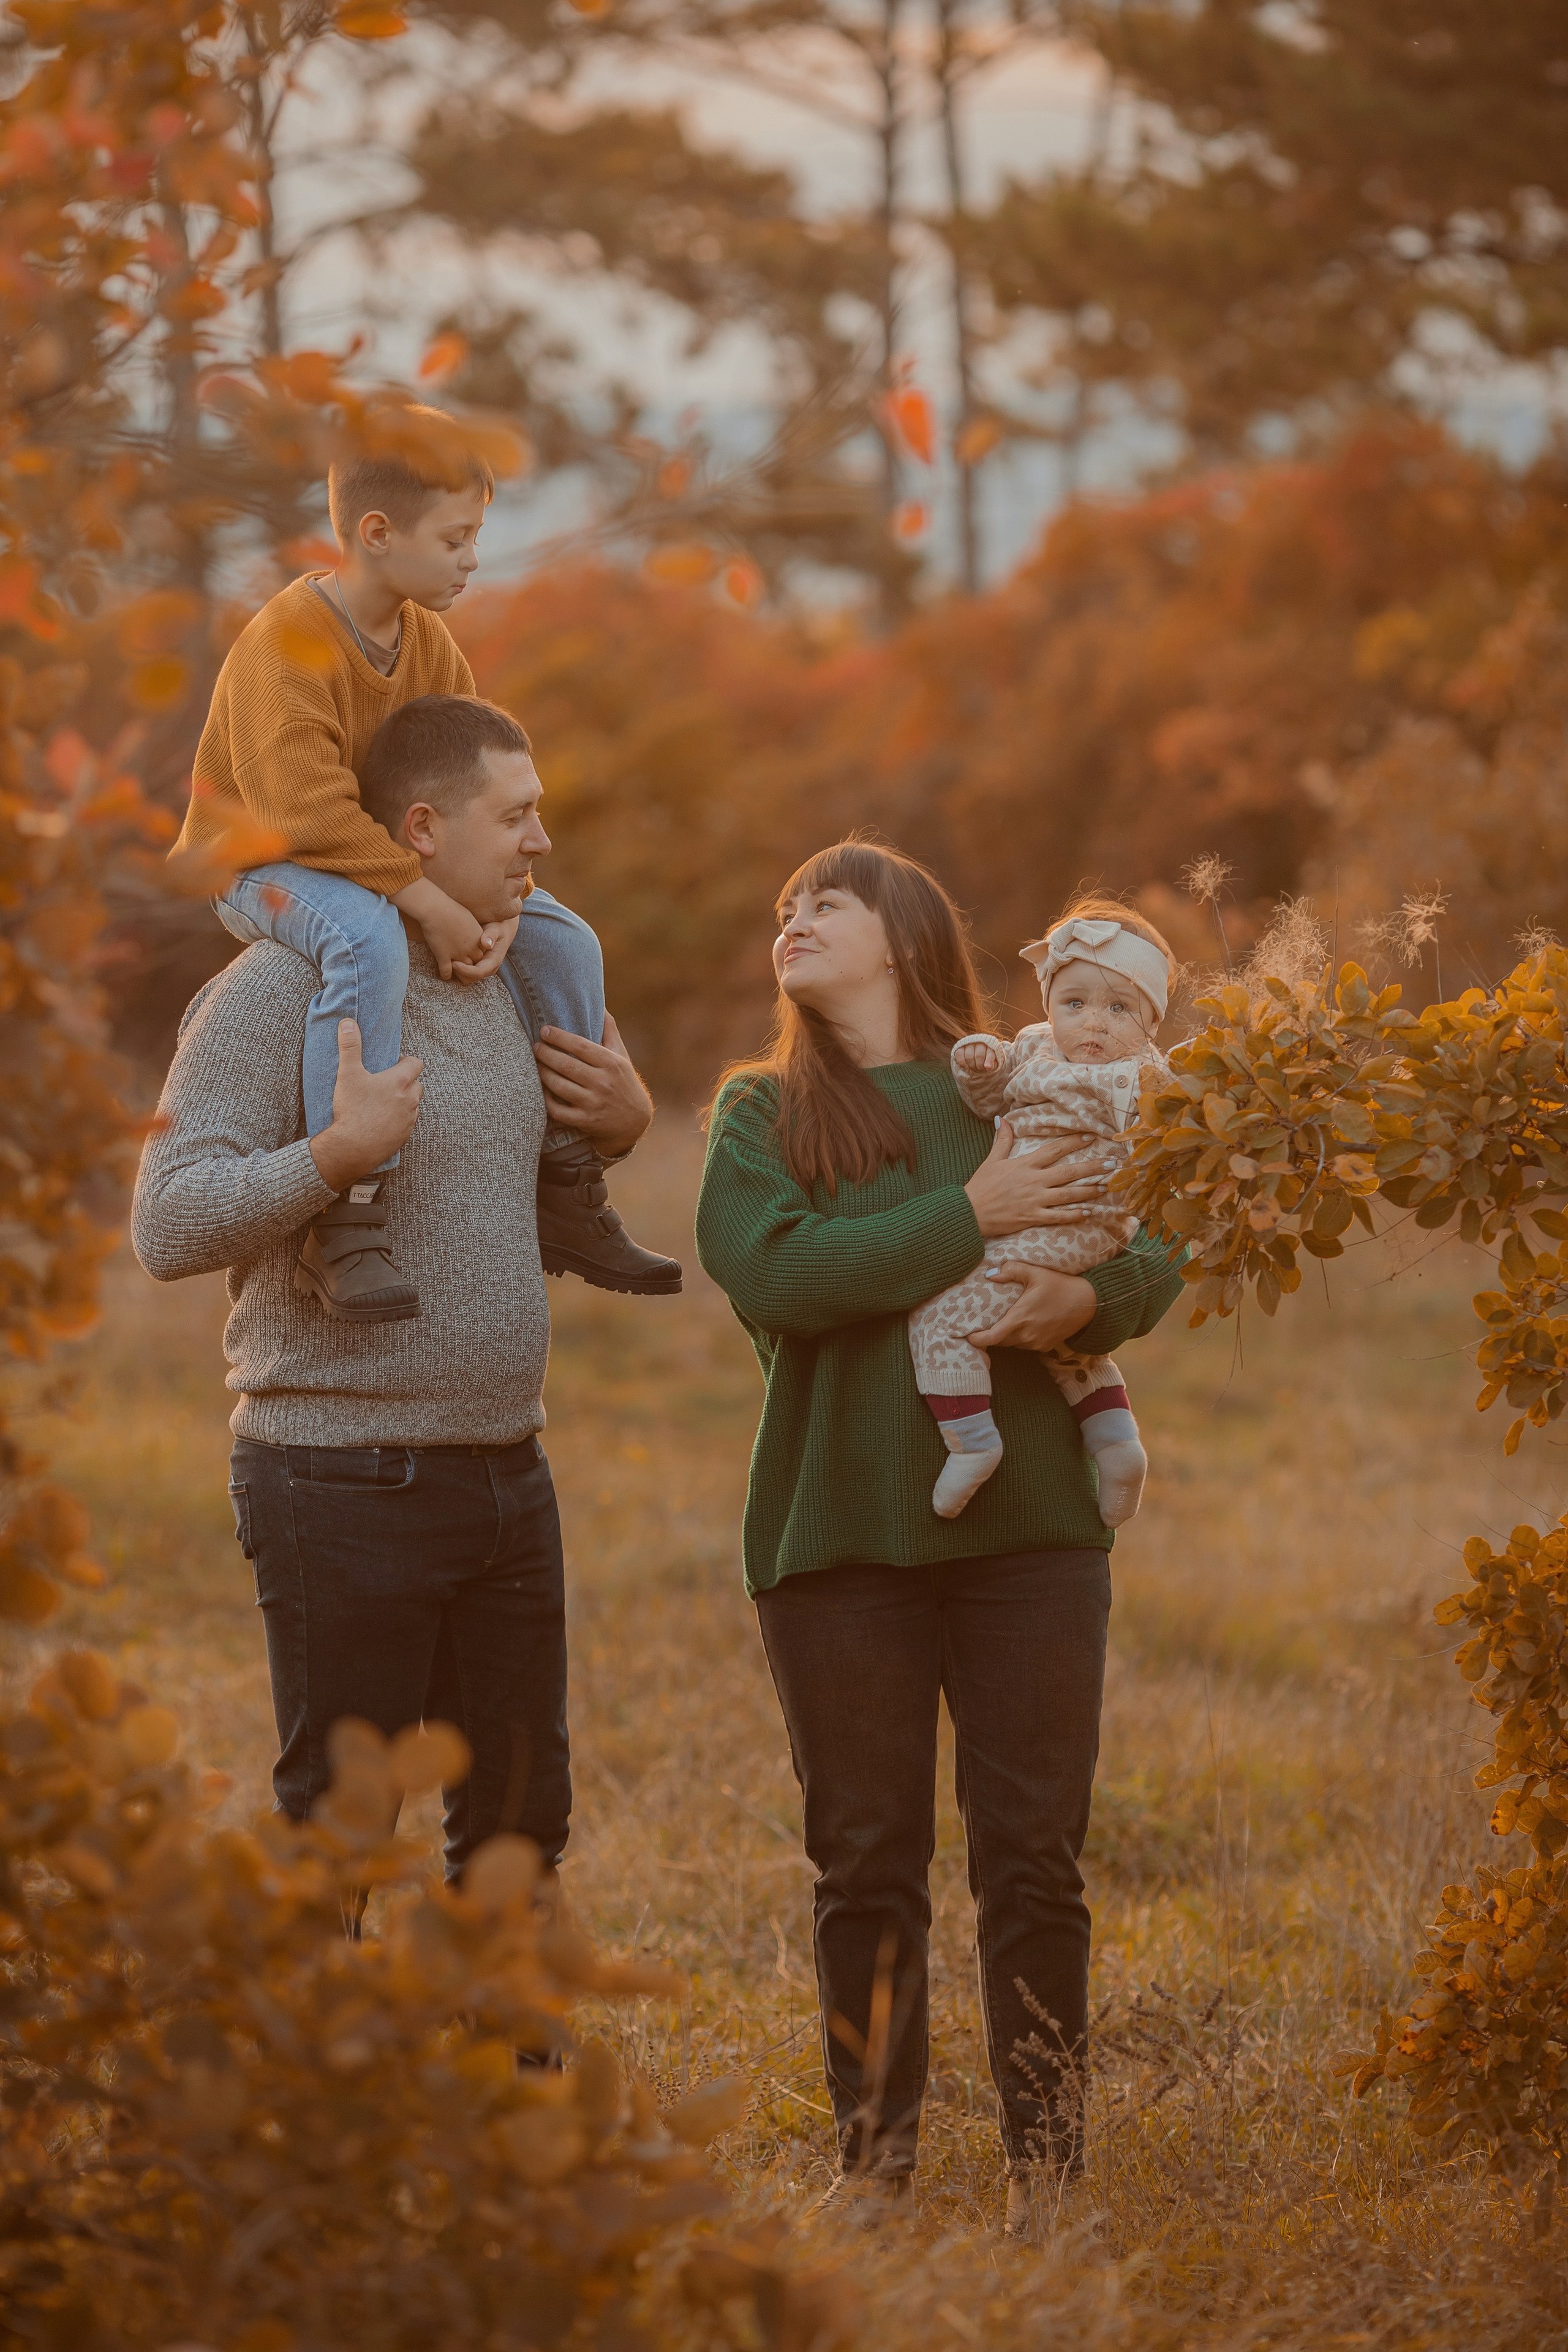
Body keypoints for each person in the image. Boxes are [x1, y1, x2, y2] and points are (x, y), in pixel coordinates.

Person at [693, 840, 1184, 2236]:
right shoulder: (758, 1110)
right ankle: (874, 2168)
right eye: (780, 902)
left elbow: (1155, 1236)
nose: (790, 917)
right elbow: (777, 1274)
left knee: (1030, 1855)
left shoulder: (1026, 1070)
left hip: (1027, 1535)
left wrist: (1080, 1304)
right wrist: (966, 1216)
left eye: (823, 902)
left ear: (904, 934)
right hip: (832, 1534)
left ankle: (1047, 2176)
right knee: (864, 1861)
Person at [133, 694, 657, 1882]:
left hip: (506, 1471)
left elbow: (484, 1192)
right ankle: (316, 2072)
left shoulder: (507, 976)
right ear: (421, 830)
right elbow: (164, 1224)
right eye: (515, 817)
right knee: (341, 1837)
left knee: (522, 1829)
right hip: (338, 1477)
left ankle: (511, 2070)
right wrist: (331, 1158)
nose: (541, 844)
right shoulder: (274, 990)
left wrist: (619, 1128)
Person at [171, 413, 679, 1320]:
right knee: (365, 937)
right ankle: (348, 1216)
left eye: (475, 539)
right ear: (377, 534)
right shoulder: (288, 643)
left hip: (375, 857)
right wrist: (429, 904)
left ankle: (566, 1182)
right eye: (456, 539)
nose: (472, 560)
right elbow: (302, 812)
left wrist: (506, 903)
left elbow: (468, 780)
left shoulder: (428, 644)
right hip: (259, 863)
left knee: (568, 939)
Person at [909, 897, 1174, 1523]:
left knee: (940, 1316)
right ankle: (1116, 1446)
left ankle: (972, 1444)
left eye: (1119, 1009)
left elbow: (1183, 1139)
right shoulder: (1030, 1048)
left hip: (1075, 1217)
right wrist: (976, 1063)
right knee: (1067, 1347)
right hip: (1051, 1225)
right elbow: (986, 1100)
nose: (1094, 1025)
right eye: (1074, 1004)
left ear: (1152, 1023)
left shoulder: (1146, 1075)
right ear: (1049, 1006)